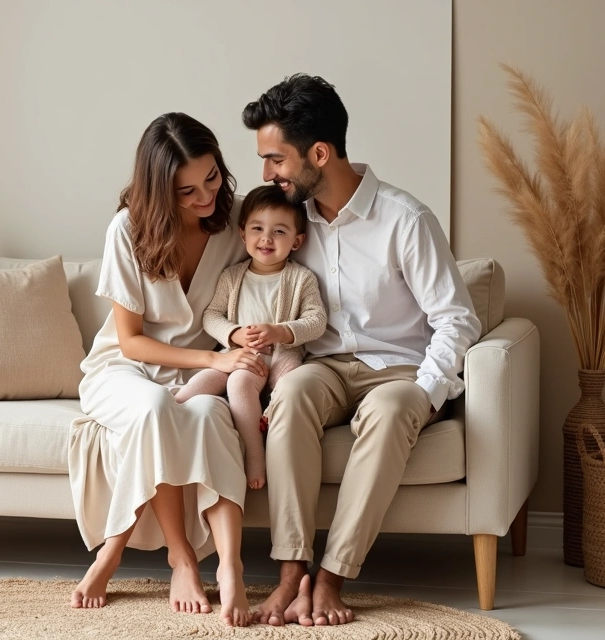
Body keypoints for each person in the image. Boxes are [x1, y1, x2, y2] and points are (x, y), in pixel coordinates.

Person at [243, 74, 482, 627]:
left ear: (319, 153)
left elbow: (455, 319)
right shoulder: (289, 220)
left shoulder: (406, 220)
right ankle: (289, 576)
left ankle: (331, 578)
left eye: (275, 159)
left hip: (398, 370)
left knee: (394, 406)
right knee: (294, 392)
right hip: (324, 368)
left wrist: (426, 393)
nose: (266, 174)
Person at [67, 112, 259, 627]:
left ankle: (228, 568)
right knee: (155, 408)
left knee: (207, 420)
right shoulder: (127, 230)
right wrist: (211, 358)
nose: (206, 199)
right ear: (158, 191)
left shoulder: (238, 221)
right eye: (187, 191)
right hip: (124, 370)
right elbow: (129, 341)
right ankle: (176, 558)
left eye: (212, 178)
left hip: (199, 379)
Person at [174, 185, 326, 490]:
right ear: (243, 234)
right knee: (216, 381)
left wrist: (281, 331)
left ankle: (262, 439)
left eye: (279, 231)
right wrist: (235, 334)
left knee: (290, 388)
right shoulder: (232, 276)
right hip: (242, 356)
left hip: (284, 356)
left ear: (297, 241)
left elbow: (317, 320)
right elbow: (211, 315)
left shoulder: (301, 278)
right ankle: (173, 408)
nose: (266, 238)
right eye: (257, 228)